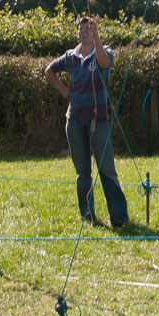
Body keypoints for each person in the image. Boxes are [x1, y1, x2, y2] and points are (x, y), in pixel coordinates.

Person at [45, 16, 128, 228]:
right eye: (82, 30)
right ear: (77, 33)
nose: (85, 32)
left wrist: (97, 37)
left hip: (97, 122)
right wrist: (64, 91)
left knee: (107, 171)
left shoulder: (104, 50)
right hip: (74, 122)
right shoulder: (70, 57)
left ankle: (119, 219)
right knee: (83, 174)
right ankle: (88, 217)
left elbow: (104, 63)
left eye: (89, 29)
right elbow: (49, 70)